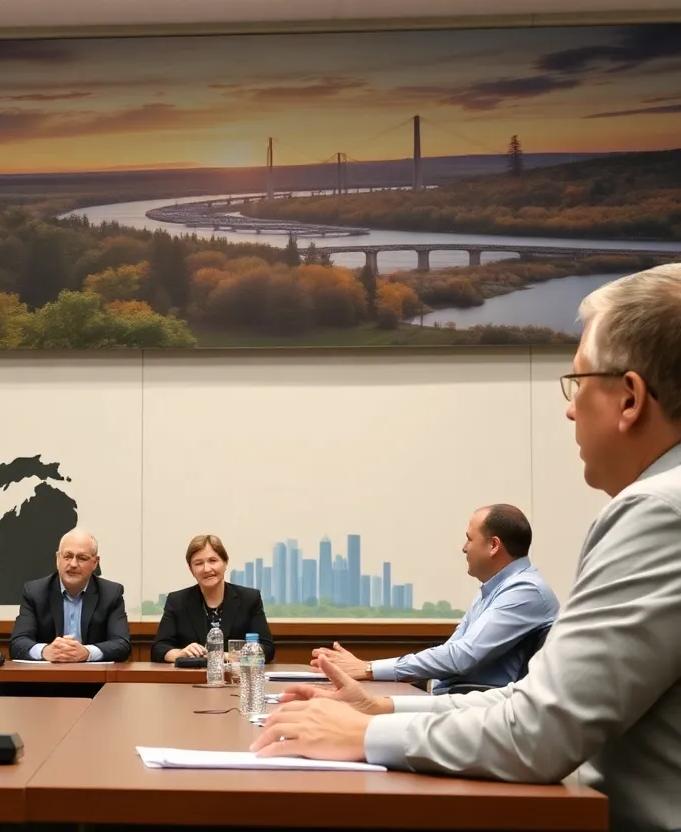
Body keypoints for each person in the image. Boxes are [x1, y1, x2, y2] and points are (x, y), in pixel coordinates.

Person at [251, 264, 681, 832]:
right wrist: (383, 707)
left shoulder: (657, 512)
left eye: (577, 383)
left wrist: (365, 734)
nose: (569, 408)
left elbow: (538, 733)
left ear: (629, 398)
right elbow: (529, 700)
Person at [310, 505, 557, 693]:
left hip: (479, 713)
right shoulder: (494, 587)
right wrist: (370, 670)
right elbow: (450, 653)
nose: (464, 548)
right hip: (456, 702)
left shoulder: (524, 590)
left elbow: (462, 657)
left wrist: (368, 668)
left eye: (470, 539)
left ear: (493, 545)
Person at [9, 528, 131, 662]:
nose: (73, 564)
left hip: (94, 680)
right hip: (46, 679)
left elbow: (121, 644)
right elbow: (18, 643)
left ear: (95, 563)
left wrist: (86, 652)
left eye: (82, 558)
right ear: (57, 559)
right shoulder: (35, 592)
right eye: (67, 556)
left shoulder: (110, 593)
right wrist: (46, 651)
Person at [151, 534, 273, 663]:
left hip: (235, 679)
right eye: (198, 563)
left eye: (213, 561)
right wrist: (180, 653)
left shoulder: (249, 599)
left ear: (225, 563)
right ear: (191, 570)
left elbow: (267, 649)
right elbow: (158, 649)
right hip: (190, 679)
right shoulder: (177, 601)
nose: (207, 569)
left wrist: (228, 656)